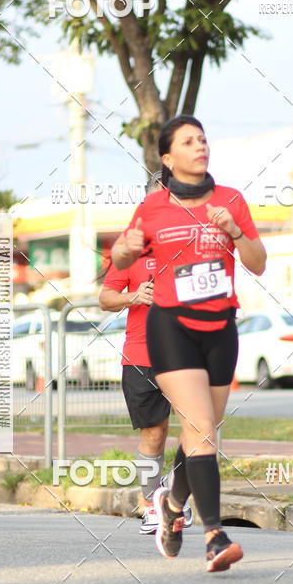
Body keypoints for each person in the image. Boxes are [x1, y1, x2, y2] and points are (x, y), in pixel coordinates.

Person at [111, 115, 266, 572]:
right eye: (188, 141)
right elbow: (121, 256)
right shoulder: (153, 206)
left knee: (205, 432)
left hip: (220, 327)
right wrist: (127, 246)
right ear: (167, 157)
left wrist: (235, 232)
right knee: (199, 429)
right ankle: (215, 536)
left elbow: (257, 263)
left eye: (203, 138)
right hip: (170, 326)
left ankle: (173, 506)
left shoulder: (231, 200)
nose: (200, 146)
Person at [99, 172, 192, 534]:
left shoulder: (191, 244)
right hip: (140, 355)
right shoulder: (128, 249)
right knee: (154, 434)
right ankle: (152, 504)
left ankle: (175, 496)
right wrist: (132, 296)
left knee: (199, 429)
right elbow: (105, 298)